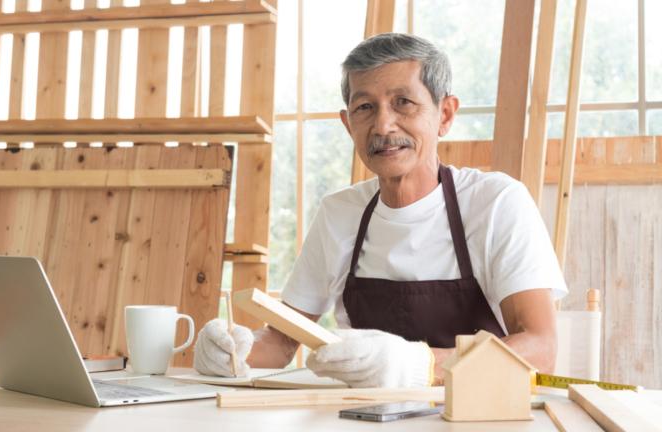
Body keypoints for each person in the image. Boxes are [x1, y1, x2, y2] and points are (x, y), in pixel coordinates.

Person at [192, 33, 567, 388]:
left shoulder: (497, 204)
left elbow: (540, 350)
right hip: (362, 418)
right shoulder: (339, 213)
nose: (383, 125)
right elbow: (281, 342)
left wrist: (422, 367)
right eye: (365, 107)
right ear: (347, 123)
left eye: (403, 102)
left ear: (445, 115)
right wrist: (234, 353)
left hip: (471, 418)